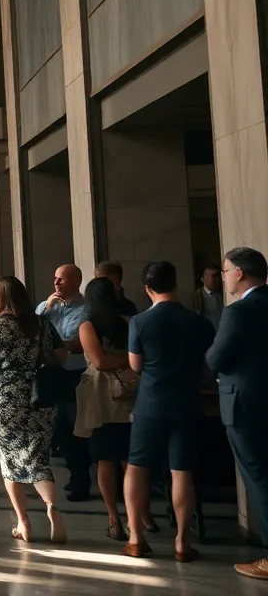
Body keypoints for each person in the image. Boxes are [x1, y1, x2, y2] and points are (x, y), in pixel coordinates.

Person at [123, 261, 214, 562]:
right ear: (176, 284)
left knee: (137, 466)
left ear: (147, 289)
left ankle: (136, 538)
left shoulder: (139, 322)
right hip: (187, 402)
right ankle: (182, 542)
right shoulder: (199, 322)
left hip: (150, 403)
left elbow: (135, 365)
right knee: (181, 471)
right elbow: (208, 363)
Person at [0, 277, 66, 543]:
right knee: (39, 457)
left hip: (8, 395)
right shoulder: (41, 322)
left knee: (10, 458)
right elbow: (59, 354)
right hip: (41, 393)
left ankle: (24, 523)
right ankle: (51, 506)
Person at [207, 247, 268, 580]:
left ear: (241, 273)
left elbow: (216, 358)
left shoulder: (238, 312)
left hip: (244, 405)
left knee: (259, 478)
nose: (224, 277)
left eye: (226, 271)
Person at [74, 277, 146, 540]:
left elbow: (99, 361)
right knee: (129, 459)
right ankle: (134, 517)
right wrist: (128, 360)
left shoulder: (87, 326)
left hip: (101, 397)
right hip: (128, 392)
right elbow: (132, 357)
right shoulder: (128, 322)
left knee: (106, 458)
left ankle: (114, 518)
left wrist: (116, 360)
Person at [37, 264, 92, 502]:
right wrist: (47, 309)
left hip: (75, 374)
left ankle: (83, 480)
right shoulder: (45, 306)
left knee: (76, 428)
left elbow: (80, 343)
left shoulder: (87, 308)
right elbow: (31, 333)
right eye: (55, 278)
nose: (57, 283)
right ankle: (73, 474)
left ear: (76, 281)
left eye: (62, 279)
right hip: (50, 375)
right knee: (59, 430)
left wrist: (56, 347)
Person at [192, 264, 224, 330]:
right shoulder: (197, 296)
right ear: (204, 279)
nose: (218, 279)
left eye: (219, 275)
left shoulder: (224, 293)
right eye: (214, 276)